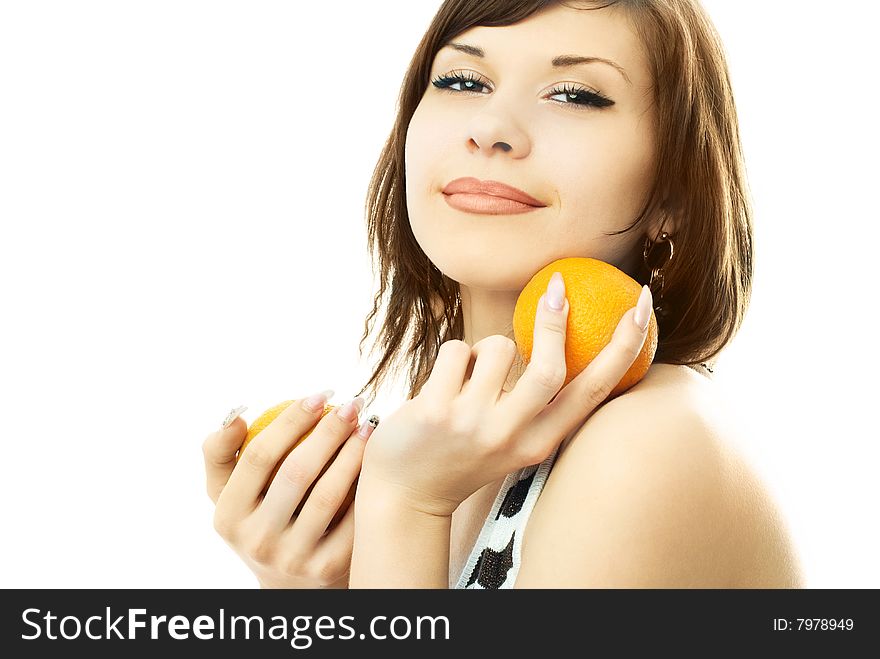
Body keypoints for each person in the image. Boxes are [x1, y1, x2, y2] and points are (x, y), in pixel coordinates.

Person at [202, 0, 804, 589]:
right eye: (463, 80)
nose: (490, 129)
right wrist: (312, 593)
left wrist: (406, 505)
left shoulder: (650, 442)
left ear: (673, 193)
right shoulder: (436, 453)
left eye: (575, 95)